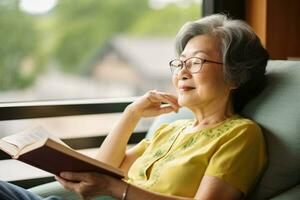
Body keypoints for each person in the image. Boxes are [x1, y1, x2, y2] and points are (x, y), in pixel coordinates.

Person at [0, 13, 268, 200]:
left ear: (235, 76)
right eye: (180, 62)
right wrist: (132, 113)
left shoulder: (241, 135)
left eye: (196, 62)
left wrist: (116, 189)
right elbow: (100, 171)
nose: (182, 72)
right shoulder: (170, 131)